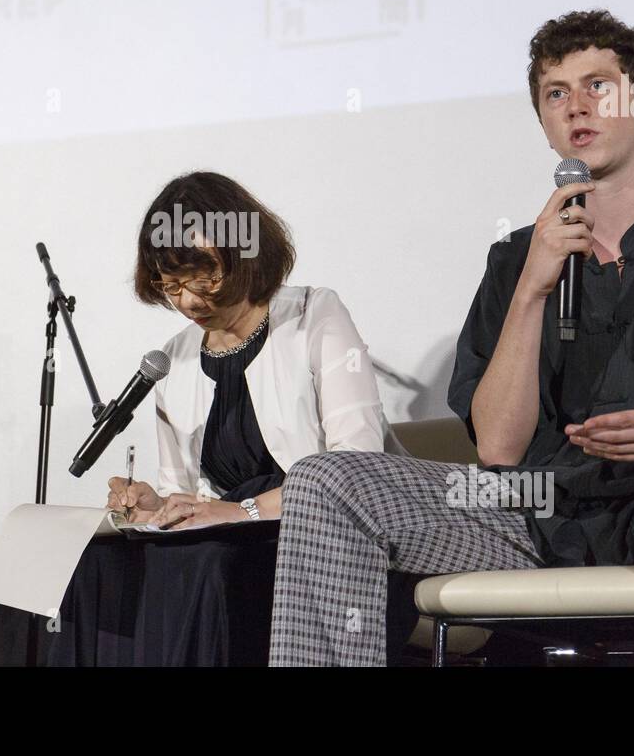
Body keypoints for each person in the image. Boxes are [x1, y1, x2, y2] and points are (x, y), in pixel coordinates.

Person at [269, 9, 634, 667]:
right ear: (544, 125)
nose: (577, 105)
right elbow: (499, 447)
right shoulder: (517, 257)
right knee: (326, 482)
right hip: (528, 509)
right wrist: (532, 288)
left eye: (598, 84)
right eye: (555, 93)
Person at [47, 170, 408, 666]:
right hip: (231, 536)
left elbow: (356, 469)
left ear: (245, 256)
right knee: (95, 565)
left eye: (205, 276)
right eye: (172, 285)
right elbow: (191, 497)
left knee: (212, 565)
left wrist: (243, 512)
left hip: (324, 540)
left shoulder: (313, 315)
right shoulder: (176, 358)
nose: (190, 301)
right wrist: (156, 506)